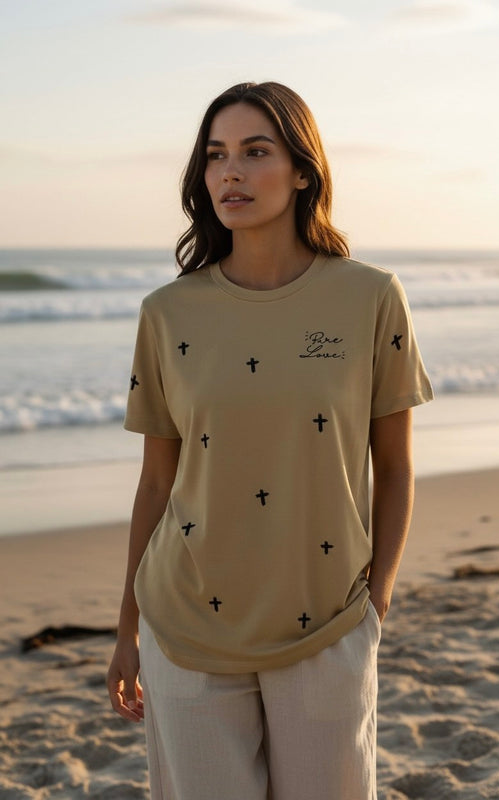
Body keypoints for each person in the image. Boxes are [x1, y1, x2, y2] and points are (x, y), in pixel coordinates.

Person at [107, 81, 433, 800]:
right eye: (216, 155)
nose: (230, 172)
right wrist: (128, 629)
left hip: (327, 622)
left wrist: (374, 603)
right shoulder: (167, 313)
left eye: (256, 152)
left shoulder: (369, 297)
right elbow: (157, 484)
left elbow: (396, 467)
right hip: (184, 622)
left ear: (302, 170)